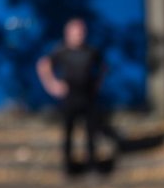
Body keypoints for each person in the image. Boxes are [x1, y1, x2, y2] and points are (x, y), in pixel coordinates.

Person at [37, 17, 110, 176]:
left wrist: (97, 84)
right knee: (68, 132)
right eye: (76, 32)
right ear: (68, 33)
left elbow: (103, 67)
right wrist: (52, 85)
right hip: (70, 97)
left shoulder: (91, 51)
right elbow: (43, 65)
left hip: (87, 96)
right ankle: (69, 168)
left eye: (82, 32)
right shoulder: (60, 51)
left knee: (91, 133)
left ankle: (92, 166)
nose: (79, 35)